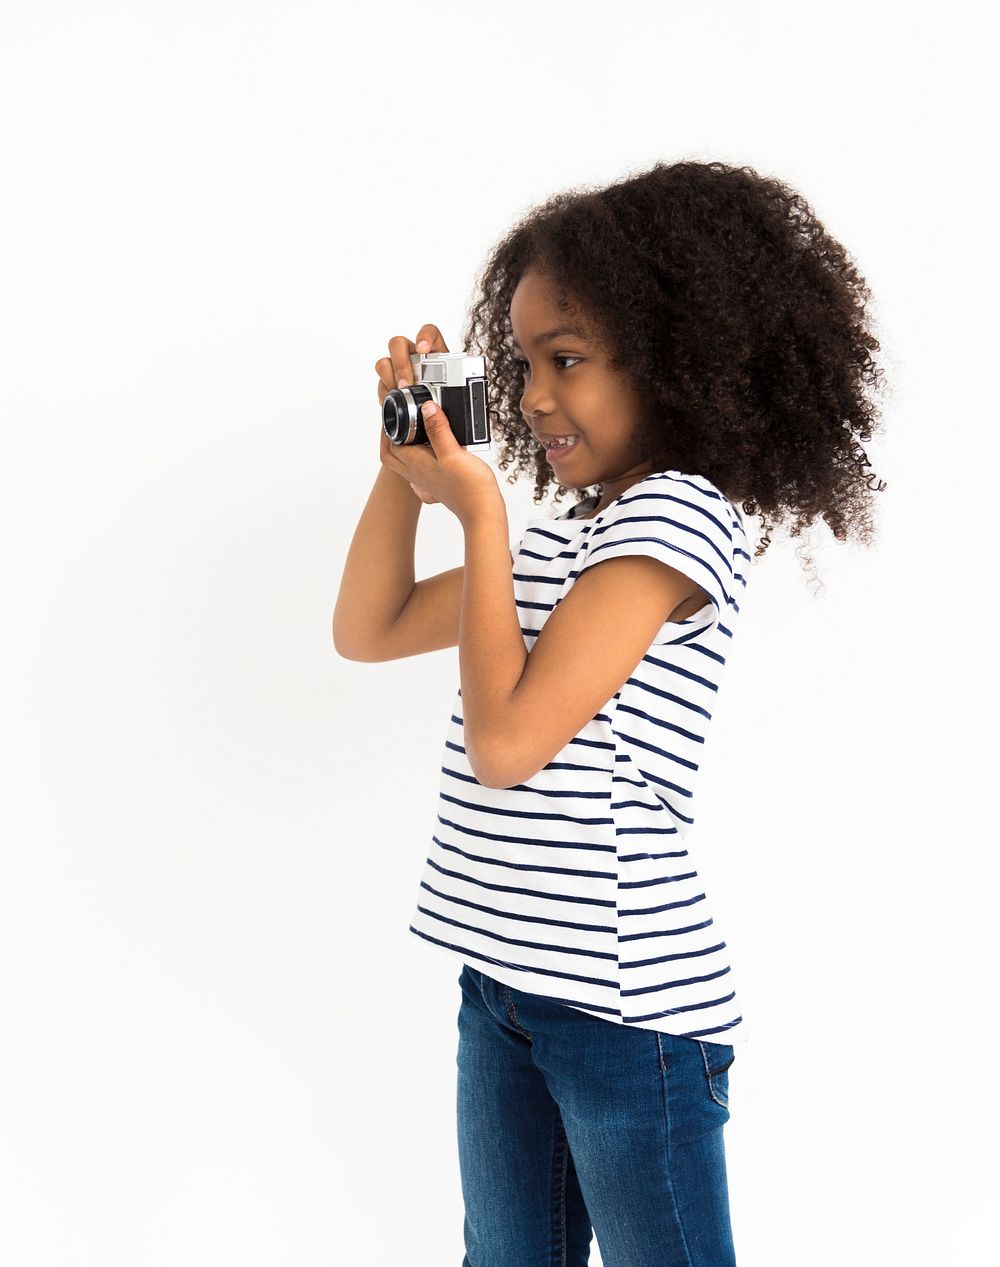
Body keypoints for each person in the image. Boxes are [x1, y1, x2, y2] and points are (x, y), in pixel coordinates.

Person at [333, 158, 887, 1267]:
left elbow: (507, 743)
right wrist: (404, 478)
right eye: (525, 361)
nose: (534, 395)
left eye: (568, 360)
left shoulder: (677, 523)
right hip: (505, 986)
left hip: (626, 1019)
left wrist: (479, 514)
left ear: (676, 362)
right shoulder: (566, 541)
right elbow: (372, 624)